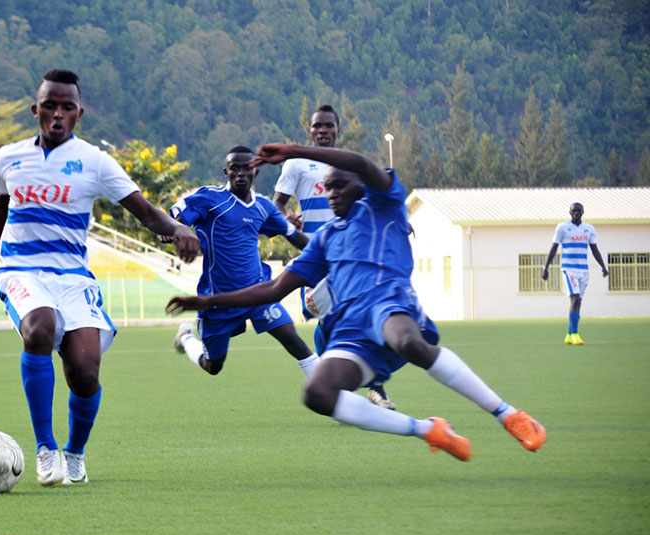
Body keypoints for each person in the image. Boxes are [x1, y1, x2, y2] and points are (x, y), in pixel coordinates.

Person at [167, 143, 547, 462]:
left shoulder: (384, 206)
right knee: (317, 393)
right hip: (350, 331)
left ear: (361, 186)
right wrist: (204, 301)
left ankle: (508, 415)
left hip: (389, 303)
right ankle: (429, 430)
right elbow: (274, 289)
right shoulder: (325, 238)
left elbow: (363, 164)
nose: (331, 193)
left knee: (407, 341)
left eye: (338, 185)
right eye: (327, 189)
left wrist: (293, 152)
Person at [0, 69, 199, 487]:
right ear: (35, 109)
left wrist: (180, 229)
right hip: (22, 268)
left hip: (73, 276)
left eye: (67, 107)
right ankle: (45, 448)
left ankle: (75, 453)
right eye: (50, 106)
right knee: (39, 328)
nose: (57, 114)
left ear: (79, 114)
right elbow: (0, 208)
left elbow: (146, 213)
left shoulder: (94, 162)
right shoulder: (9, 157)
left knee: (84, 372)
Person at [273, 104, 394, 410]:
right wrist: (288, 221)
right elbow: (277, 204)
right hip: (314, 256)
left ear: (338, 130)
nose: (322, 131)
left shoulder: (349, 166)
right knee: (325, 322)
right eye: (317, 126)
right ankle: (334, 385)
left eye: (329, 126)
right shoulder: (296, 164)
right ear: (309, 130)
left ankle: (373, 388)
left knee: (357, 318)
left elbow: (372, 202)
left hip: (350, 257)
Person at [170, 146, 318, 380]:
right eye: (234, 168)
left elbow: (295, 236)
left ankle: (333, 394)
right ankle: (187, 338)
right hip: (218, 300)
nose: (241, 173)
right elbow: (173, 219)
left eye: (246, 168)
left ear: (256, 172)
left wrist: (327, 259)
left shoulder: (264, 206)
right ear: (226, 172)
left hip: (259, 293)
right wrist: (176, 233)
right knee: (213, 366)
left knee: (294, 340)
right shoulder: (209, 198)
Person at [542, 203, 608, 345]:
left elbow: (594, 249)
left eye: (579, 211)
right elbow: (554, 247)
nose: (577, 213)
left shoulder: (589, 229)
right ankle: (575, 334)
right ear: (570, 212)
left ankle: (569, 334)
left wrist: (603, 266)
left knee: (578, 302)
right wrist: (546, 267)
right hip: (569, 269)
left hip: (584, 270)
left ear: (583, 213)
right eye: (574, 211)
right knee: (575, 298)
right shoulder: (562, 228)